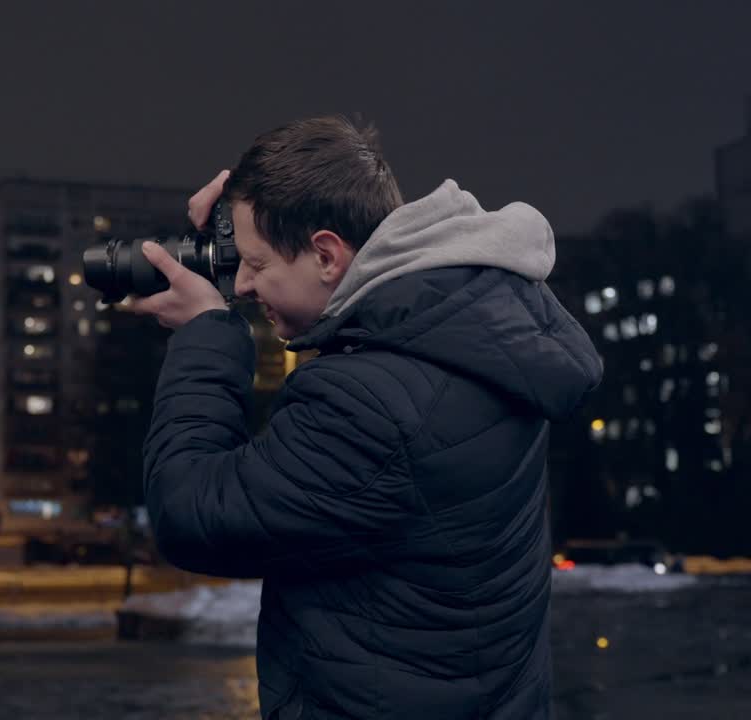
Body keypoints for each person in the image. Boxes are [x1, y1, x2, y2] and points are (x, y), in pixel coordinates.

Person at [127, 115, 602, 719]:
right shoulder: (471, 335)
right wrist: (244, 219)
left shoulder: (372, 402)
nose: (242, 285)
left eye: (257, 262)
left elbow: (190, 513)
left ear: (327, 253)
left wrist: (204, 335)